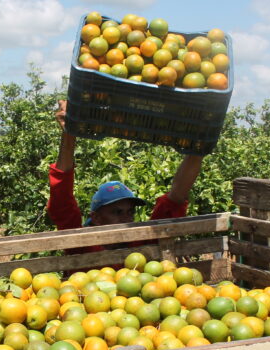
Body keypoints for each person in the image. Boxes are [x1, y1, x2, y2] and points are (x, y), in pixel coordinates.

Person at [47, 100, 204, 253]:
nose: (127, 218)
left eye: (130, 212)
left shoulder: (142, 243)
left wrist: (199, 145)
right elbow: (62, 198)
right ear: (97, 218)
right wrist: (69, 132)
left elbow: (175, 198)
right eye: (117, 212)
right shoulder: (81, 246)